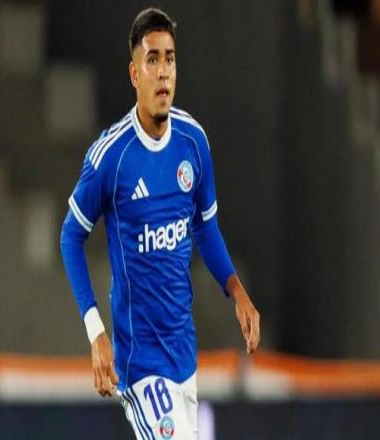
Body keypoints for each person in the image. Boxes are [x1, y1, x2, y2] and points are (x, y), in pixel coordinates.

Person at [60, 7, 260, 439]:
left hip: (183, 356)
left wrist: (236, 291)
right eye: (152, 59)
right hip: (140, 364)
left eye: (169, 58)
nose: (163, 70)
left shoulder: (193, 142)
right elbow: (70, 237)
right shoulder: (111, 158)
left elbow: (205, 227)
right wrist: (96, 332)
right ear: (135, 73)